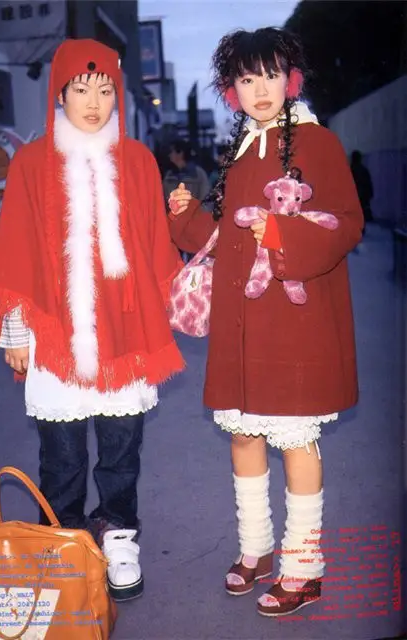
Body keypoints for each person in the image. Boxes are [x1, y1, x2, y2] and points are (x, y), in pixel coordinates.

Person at [0, 38, 185, 603]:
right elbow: (16, 248)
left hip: (125, 332)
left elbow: (154, 247)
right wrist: (16, 332)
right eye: (81, 90)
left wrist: (176, 301)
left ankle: (119, 538)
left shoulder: (139, 161)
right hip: (54, 331)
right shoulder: (31, 161)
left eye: (105, 90)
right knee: (62, 453)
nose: (94, 102)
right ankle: (64, 541)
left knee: (122, 447)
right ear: (60, 93)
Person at [167, 27, 363, 617]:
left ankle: (304, 568)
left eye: (271, 74)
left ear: (291, 79)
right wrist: (186, 219)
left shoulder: (318, 142)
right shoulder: (242, 149)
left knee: (298, 441)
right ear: (231, 90)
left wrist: (282, 234)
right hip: (241, 326)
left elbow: (346, 222)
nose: (260, 89)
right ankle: (255, 549)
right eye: (246, 78)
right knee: (244, 435)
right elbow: (231, 238)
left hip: (295, 326)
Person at [163, 139, 210, 205]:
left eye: (171, 152)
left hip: (194, 213)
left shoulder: (198, 174)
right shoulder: (169, 175)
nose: (169, 155)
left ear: (180, 153)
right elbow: (164, 199)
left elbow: (205, 198)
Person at [350, 149, 374, 233]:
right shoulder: (363, 170)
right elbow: (368, 183)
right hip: (362, 196)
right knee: (362, 213)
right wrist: (369, 194)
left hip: (352, 197)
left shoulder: (349, 169)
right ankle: (361, 228)